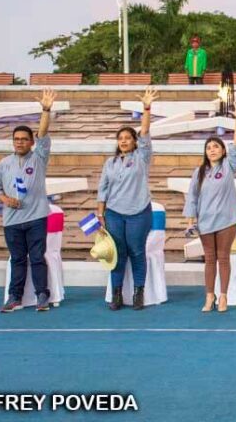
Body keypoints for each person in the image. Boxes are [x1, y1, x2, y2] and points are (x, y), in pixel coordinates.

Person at [0, 88, 56, 313]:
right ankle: (14, 297)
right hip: (11, 220)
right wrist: (5, 199)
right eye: (16, 139)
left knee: (37, 258)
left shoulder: (39, 157)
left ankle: (42, 296)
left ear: (31, 142)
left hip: (37, 217)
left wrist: (46, 110)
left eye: (24, 139)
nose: (19, 143)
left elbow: (44, 133)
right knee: (17, 259)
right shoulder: (3, 164)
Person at [97, 87, 158, 310]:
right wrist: (100, 214)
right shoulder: (109, 163)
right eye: (120, 138)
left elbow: (145, 132)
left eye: (127, 138)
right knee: (118, 252)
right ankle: (117, 294)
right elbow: (102, 189)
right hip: (114, 213)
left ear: (134, 141)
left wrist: (146, 108)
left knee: (136, 250)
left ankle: (138, 293)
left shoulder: (141, 157)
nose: (123, 141)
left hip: (139, 213)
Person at [183, 100, 236, 313]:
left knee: (223, 258)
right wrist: (191, 221)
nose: (212, 150)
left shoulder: (229, 166)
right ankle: (209, 297)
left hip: (227, 220)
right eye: (208, 147)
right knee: (209, 259)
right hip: (206, 222)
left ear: (222, 150)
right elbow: (191, 196)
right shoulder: (198, 171)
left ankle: (223, 296)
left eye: (216, 147)